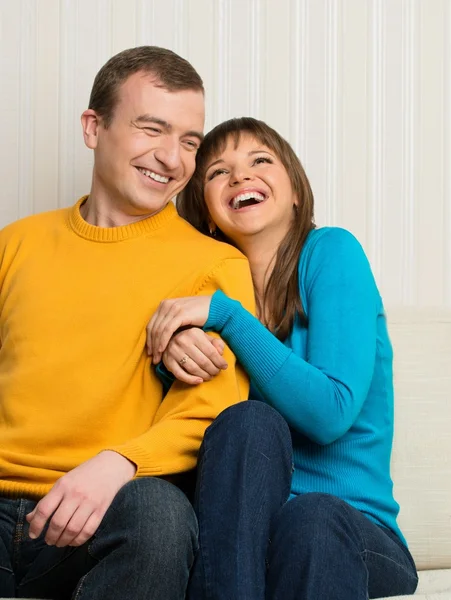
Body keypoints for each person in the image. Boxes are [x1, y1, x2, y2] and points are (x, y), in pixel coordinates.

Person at [0, 47, 254, 600]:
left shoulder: (213, 266)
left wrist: (119, 462)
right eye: (151, 129)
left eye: (189, 141)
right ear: (94, 127)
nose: (171, 158)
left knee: (160, 513)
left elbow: (211, 412)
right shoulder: (14, 244)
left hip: (107, 508)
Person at [146, 117, 418, 600]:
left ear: (294, 191)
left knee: (310, 516)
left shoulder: (331, 253)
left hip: (349, 532)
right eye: (217, 173)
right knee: (246, 423)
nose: (240, 177)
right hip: (241, 546)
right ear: (206, 212)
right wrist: (168, 353)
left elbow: (330, 413)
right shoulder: (204, 292)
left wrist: (227, 318)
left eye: (260, 161)